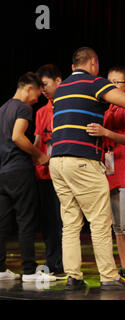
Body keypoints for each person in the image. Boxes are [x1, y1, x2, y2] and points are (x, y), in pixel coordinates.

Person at [48, 47, 125, 291]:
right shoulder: (94, 82)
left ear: (73, 65)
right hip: (82, 160)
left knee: (71, 223)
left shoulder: (61, 88)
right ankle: (108, 277)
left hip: (57, 161)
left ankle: (73, 277)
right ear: (94, 63)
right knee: (99, 221)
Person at [86, 66, 125, 286]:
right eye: (108, 82)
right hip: (111, 173)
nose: (109, 87)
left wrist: (105, 132)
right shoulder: (107, 110)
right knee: (117, 227)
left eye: (116, 83)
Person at [0, 72, 56, 283]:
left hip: (3, 173)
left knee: (3, 222)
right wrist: (40, 155)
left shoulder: (3, 108)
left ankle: (0, 269)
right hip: (19, 171)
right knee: (26, 221)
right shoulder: (23, 108)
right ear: (28, 88)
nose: (38, 98)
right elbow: (17, 136)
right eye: (37, 93)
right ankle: (30, 271)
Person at [34, 64, 63, 275]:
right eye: (40, 86)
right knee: (49, 221)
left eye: (45, 85)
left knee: (64, 221)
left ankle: (64, 263)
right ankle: (52, 262)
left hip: (64, 173)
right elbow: (37, 140)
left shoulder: (67, 106)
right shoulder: (41, 111)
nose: (42, 90)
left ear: (58, 81)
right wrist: (36, 158)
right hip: (44, 174)